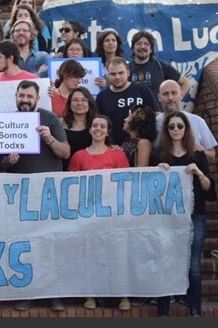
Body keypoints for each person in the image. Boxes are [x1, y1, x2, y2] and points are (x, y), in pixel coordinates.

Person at [0, 80, 69, 313]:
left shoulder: (50, 119)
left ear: (37, 99)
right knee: (24, 247)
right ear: (16, 96)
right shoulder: (6, 122)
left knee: (50, 245)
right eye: (21, 96)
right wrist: (9, 160)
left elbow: (65, 152)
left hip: (48, 194)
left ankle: (54, 294)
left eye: (29, 96)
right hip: (19, 196)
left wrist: (49, 138)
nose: (25, 100)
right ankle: (27, 293)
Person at [154, 111, 216, 318]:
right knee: (166, 261)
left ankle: (195, 311)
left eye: (180, 126)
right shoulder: (159, 156)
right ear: (166, 130)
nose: (176, 130)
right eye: (171, 126)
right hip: (167, 218)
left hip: (195, 215)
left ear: (186, 129)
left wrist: (199, 172)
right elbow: (151, 189)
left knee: (194, 265)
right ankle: (163, 312)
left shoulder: (197, 155)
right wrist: (157, 171)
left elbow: (209, 189)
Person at [67, 114, 131, 311]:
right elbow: (71, 186)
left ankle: (123, 296)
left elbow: (126, 183)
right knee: (90, 254)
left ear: (108, 131)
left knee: (117, 255)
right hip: (88, 214)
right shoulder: (79, 156)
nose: (98, 129)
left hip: (113, 214)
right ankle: (90, 294)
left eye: (102, 126)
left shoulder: (118, 155)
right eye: (95, 125)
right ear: (89, 129)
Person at [96, 57, 160, 146]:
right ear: (108, 74)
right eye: (113, 74)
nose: (117, 77)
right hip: (114, 149)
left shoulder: (142, 90)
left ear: (128, 72)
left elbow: (156, 115)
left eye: (121, 73)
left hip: (143, 147)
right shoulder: (102, 97)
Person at [154, 79, 217, 162]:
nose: (170, 97)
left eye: (174, 93)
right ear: (159, 97)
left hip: (192, 172)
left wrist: (201, 152)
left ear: (181, 94)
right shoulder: (153, 124)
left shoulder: (198, 121)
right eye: (165, 94)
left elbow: (212, 156)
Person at [128, 31, 191, 106]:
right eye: (138, 43)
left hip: (158, 115)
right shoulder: (126, 69)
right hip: (135, 115)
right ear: (133, 48)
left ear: (151, 49)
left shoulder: (160, 65)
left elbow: (186, 83)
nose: (142, 46)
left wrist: (174, 101)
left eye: (146, 44)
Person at [61, 86, 97, 171]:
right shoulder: (60, 123)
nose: (79, 103)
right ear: (69, 104)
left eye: (84, 100)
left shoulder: (97, 124)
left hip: (90, 170)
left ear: (89, 104)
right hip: (65, 171)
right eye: (75, 100)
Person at [120, 104, 157, 168]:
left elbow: (141, 171)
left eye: (129, 117)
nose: (125, 119)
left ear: (138, 120)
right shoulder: (128, 140)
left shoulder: (143, 143)